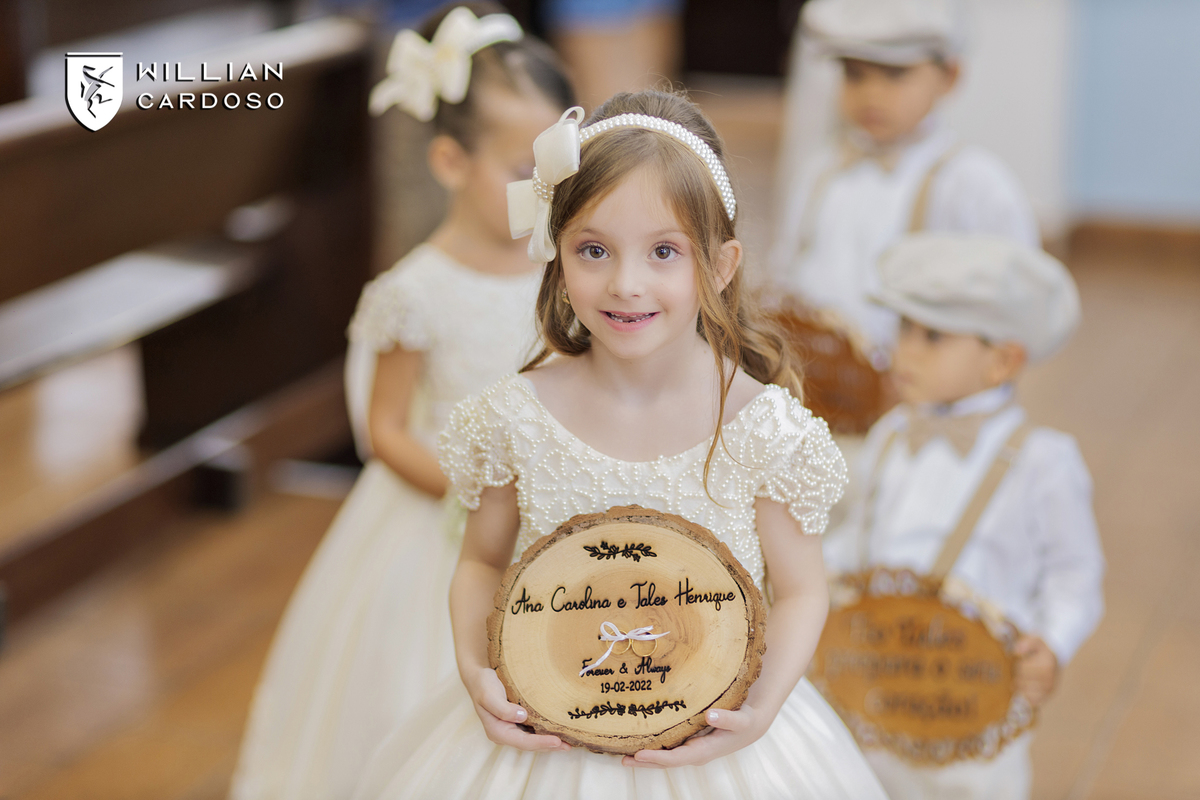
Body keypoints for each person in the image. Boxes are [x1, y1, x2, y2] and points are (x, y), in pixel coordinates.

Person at [352, 89, 889, 800]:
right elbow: (481, 561)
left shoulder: (764, 430)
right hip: (546, 736)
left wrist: (760, 712)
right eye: (594, 250)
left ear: (720, 265)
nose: (626, 284)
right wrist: (476, 668)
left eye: (664, 251)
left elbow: (800, 591)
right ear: (556, 254)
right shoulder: (516, 418)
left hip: (715, 744)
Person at [229, 6, 575, 799]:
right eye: (521, 169)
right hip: (443, 518)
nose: (544, 191)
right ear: (450, 161)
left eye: (556, 169)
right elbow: (384, 429)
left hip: (553, 508)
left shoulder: (565, 271)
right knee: (418, 690)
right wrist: (477, 495)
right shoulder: (414, 291)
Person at [823, 233, 1106, 799]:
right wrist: (819, 573)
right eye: (903, 328)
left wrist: (1053, 641)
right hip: (877, 680)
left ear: (1003, 360)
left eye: (933, 336)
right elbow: (862, 528)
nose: (905, 350)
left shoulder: (1043, 461)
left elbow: (1075, 573)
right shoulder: (890, 435)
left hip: (973, 697)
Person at [770, 0, 1039, 356]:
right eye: (855, 75)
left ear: (950, 76)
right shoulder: (820, 171)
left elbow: (1010, 307)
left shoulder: (973, 186)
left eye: (895, 74)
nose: (871, 94)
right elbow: (786, 270)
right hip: (813, 371)